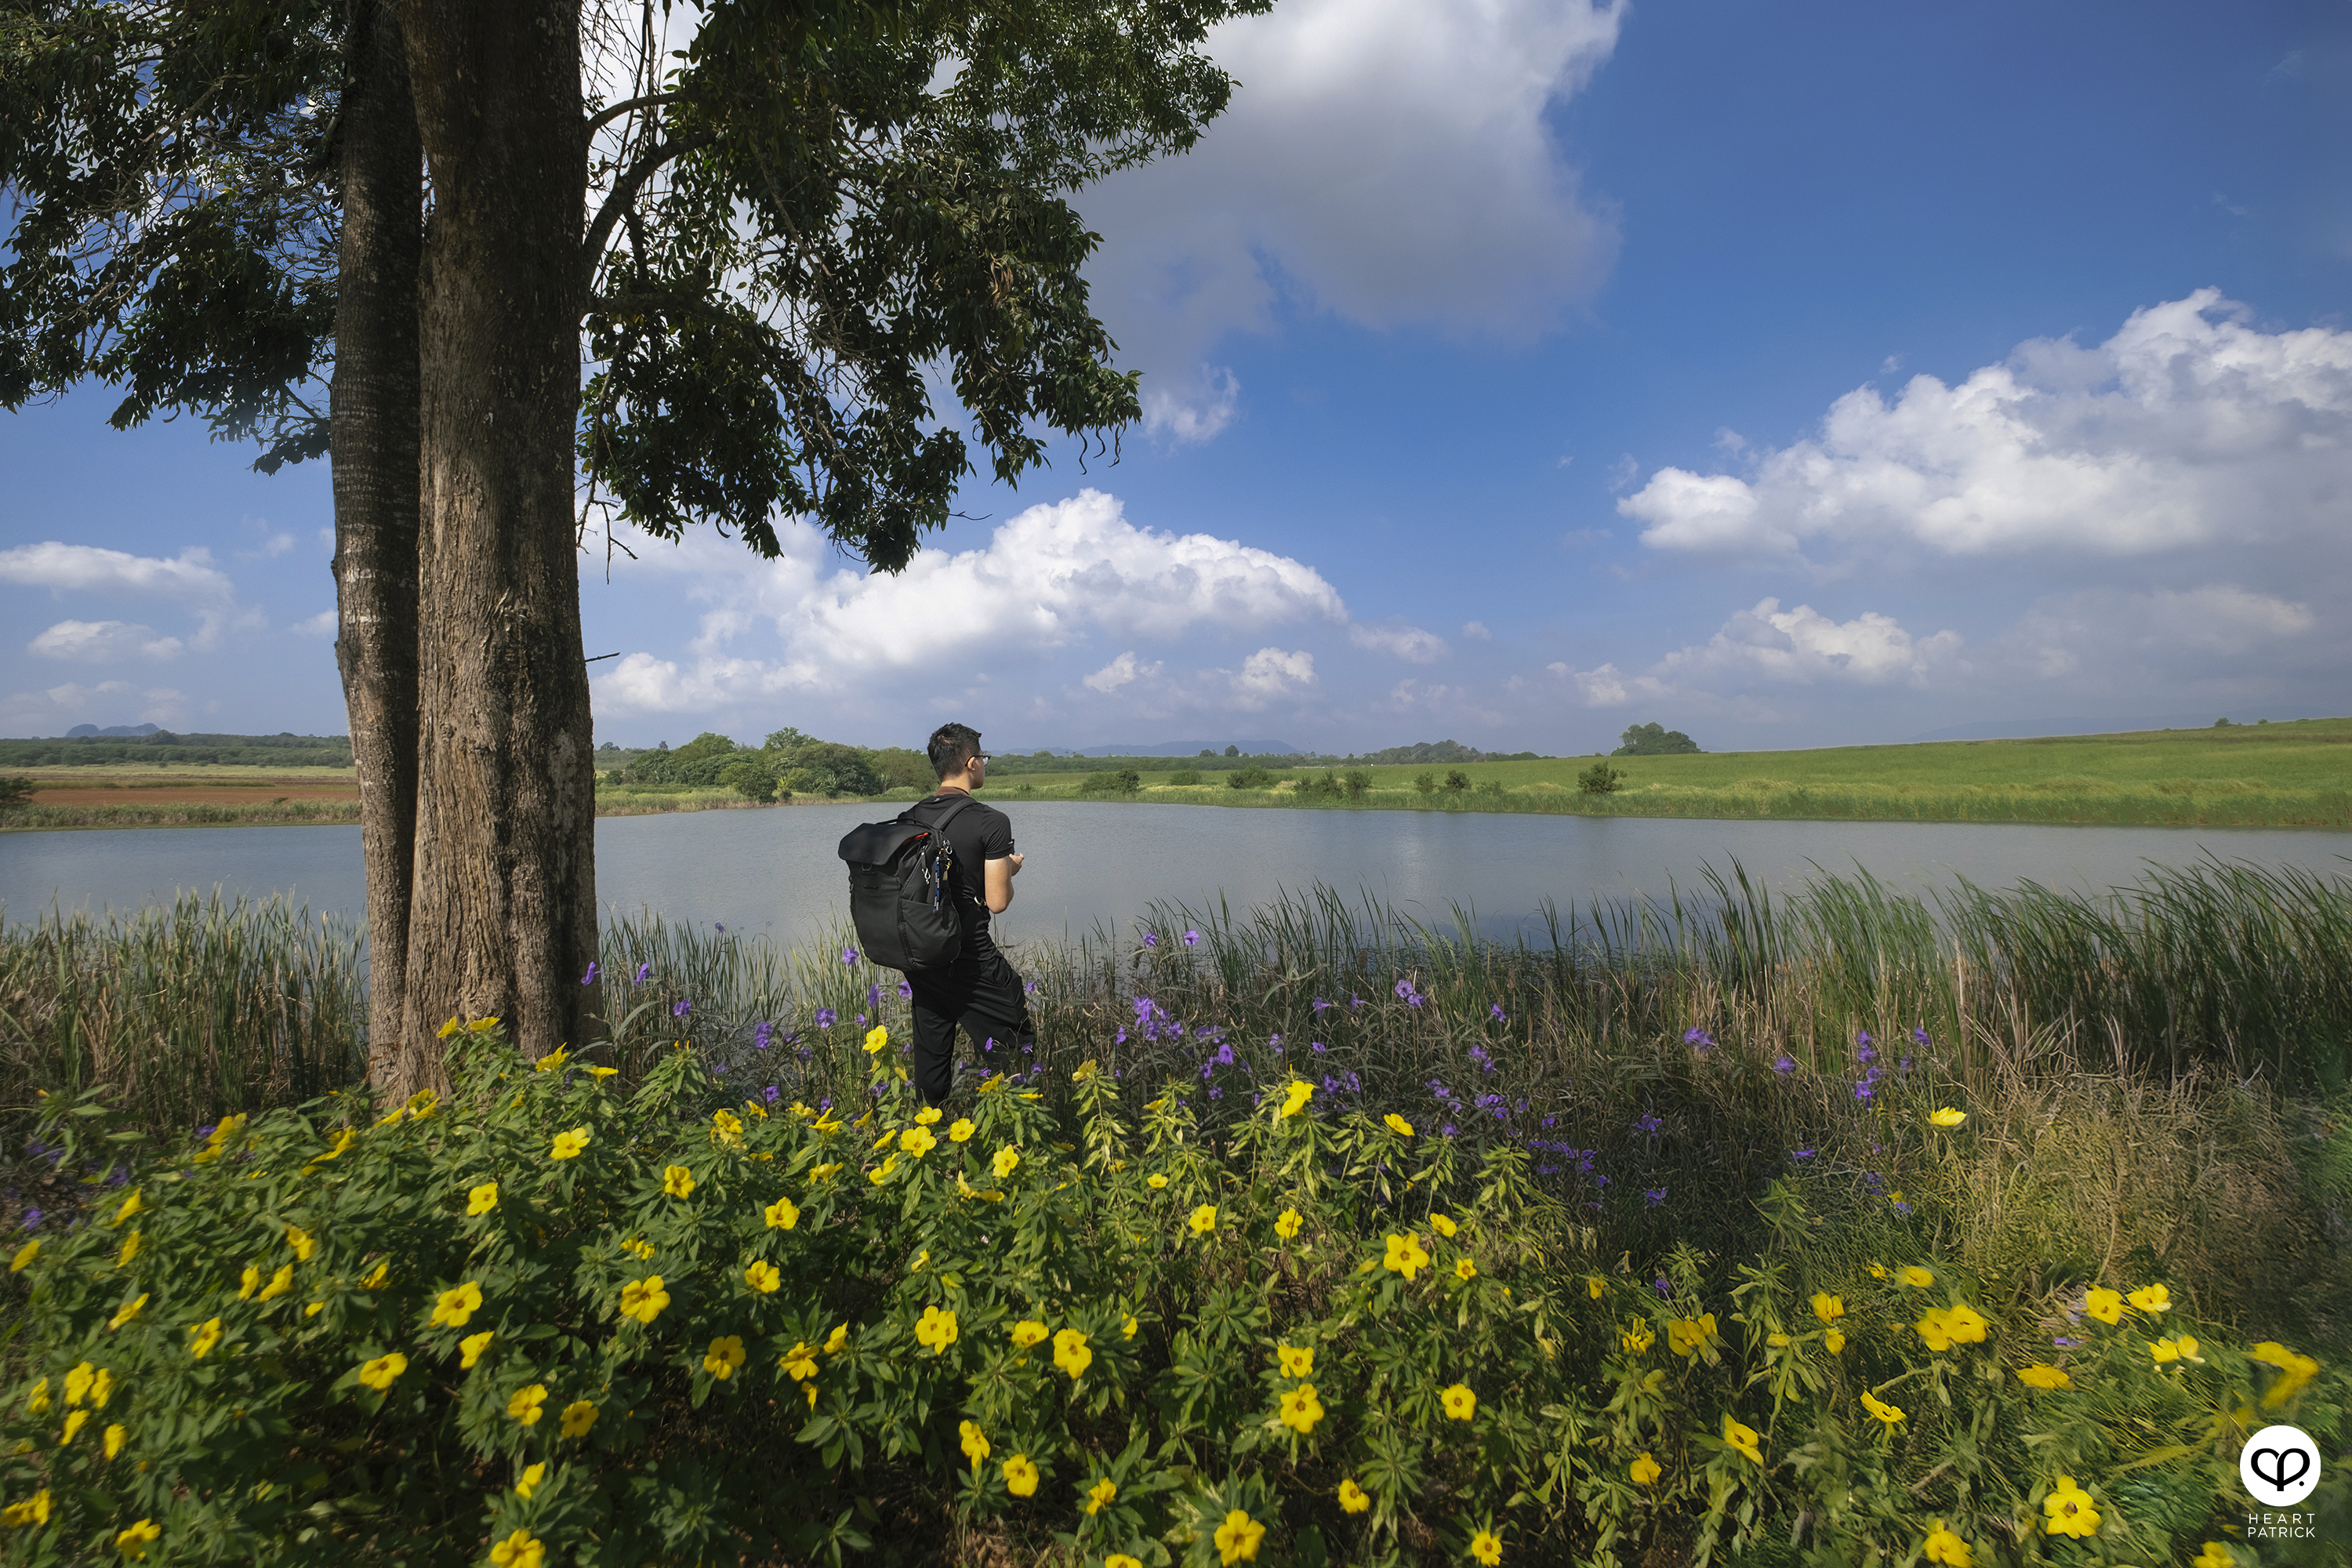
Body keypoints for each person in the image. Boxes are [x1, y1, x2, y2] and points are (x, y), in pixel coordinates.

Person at [901, 722, 1029, 1103]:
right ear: (972, 763)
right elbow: (998, 902)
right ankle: (1017, 1121)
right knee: (1015, 1053)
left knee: (931, 1065)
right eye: (983, 759)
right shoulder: (991, 821)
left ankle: (931, 1128)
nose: (984, 765)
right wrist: (1009, 869)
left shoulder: (910, 817)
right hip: (970, 958)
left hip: (923, 957)